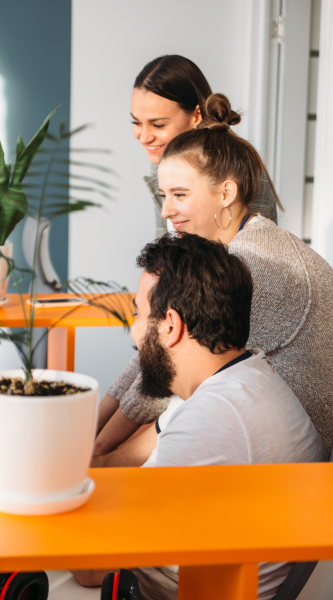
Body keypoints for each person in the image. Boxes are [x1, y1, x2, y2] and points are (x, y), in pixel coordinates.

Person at [74, 233, 325, 600]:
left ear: (171, 326)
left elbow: (92, 568)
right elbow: (113, 462)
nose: (134, 330)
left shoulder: (215, 417)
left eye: (138, 315)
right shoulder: (240, 375)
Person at [95, 91, 333, 457]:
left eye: (179, 195)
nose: (167, 211)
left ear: (226, 192)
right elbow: (154, 335)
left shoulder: (255, 263)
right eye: (163, 196)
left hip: (297, 448)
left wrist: (99, 444)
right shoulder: (231, 247)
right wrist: (98, 421)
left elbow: (169, 356)